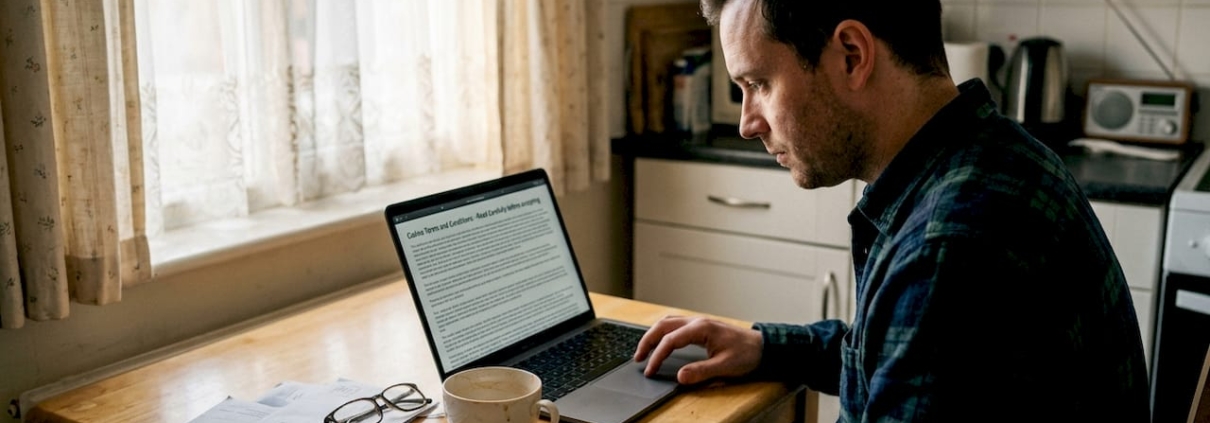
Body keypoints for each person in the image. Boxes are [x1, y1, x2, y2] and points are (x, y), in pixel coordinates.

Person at [632, 0, 1151, 421]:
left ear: (852, 56)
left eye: (759, 84)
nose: (749, 122)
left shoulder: (950, 247)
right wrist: (766, 346)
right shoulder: (992, 155)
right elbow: (893, 358)